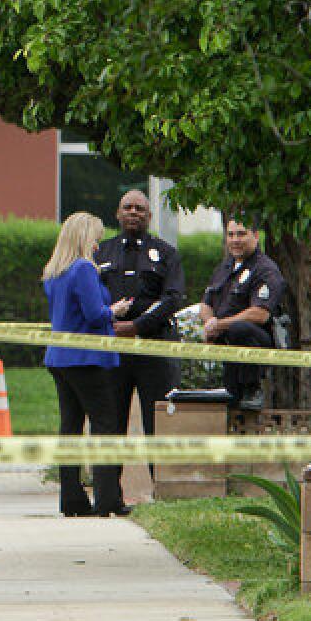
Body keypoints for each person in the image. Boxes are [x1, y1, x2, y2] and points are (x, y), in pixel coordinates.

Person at [43, 213, 132, 517]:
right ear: (84, 237)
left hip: (60, 357)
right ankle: (107, 499)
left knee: (70, 426)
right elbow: (94, 314)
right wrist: (114, 310)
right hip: (86, 357)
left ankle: (71, 499)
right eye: (95, 237)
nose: (97, 245)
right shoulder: (82, 269)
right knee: (106, 424)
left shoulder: (55, 270)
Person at [94, 191, 184, 462]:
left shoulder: (166, 253)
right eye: (128, 208)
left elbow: (173, 297)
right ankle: (109, 497)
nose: (133, 212)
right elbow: (90, 297)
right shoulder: (102, 252)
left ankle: (160, 492)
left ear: (149, 216)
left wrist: (137, 326)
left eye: (140, 209)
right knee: (111, 423)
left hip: (153, 348)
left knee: (156, 423)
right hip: (112, 350)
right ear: (118, 214)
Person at [199, 214, 286, 411]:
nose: (235, 240)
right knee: (231, 402)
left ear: (255, 236)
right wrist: (209, 322)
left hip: (256, 342)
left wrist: (220, 324)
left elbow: (260, 314)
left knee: (239, 328)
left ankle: (253, 389)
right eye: (230, 235)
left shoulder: (266, 269)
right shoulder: (224, 267)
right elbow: (205, 303)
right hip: (228, 347)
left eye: (241, 234)